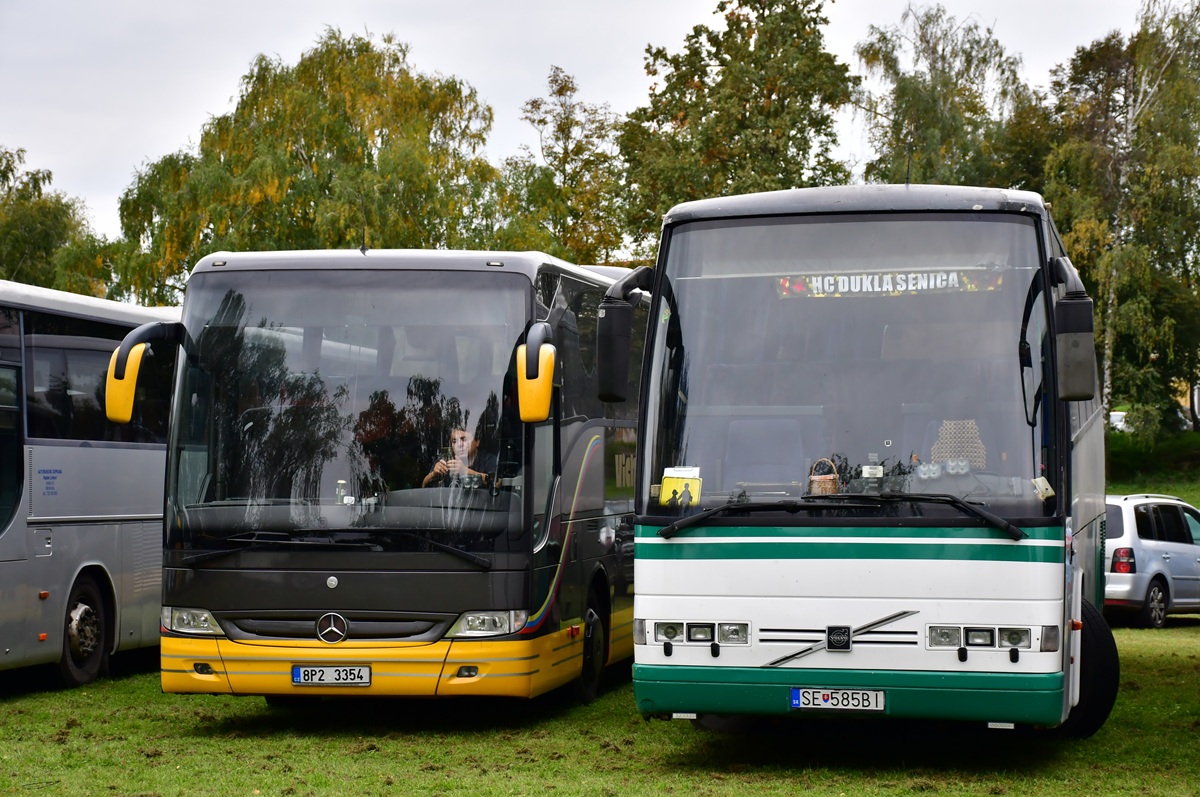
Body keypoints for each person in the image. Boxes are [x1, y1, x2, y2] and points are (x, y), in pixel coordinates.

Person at [422, 427, 497, 487]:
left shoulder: (488, 459)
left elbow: (497, 483)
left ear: (477, 442)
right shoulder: (446, 458)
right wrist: (433, 474)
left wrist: (465, 471)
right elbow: (423, 486)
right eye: (454, 441)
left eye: (464, 439)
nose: (459, 445)